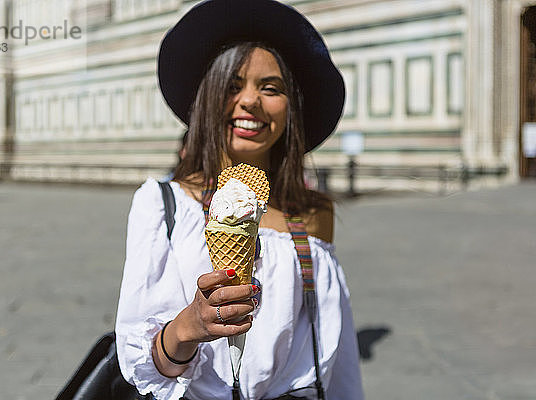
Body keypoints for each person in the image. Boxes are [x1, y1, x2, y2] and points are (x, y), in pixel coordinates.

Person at [115, 1, 363, 399]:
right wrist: (189, 326)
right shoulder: (165, 204)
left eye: (271, 88)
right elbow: (143, 363)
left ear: (290, 108)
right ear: (207, 97)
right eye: (232, 85)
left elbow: (340, 357)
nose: (250, 101)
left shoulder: (315, 212)